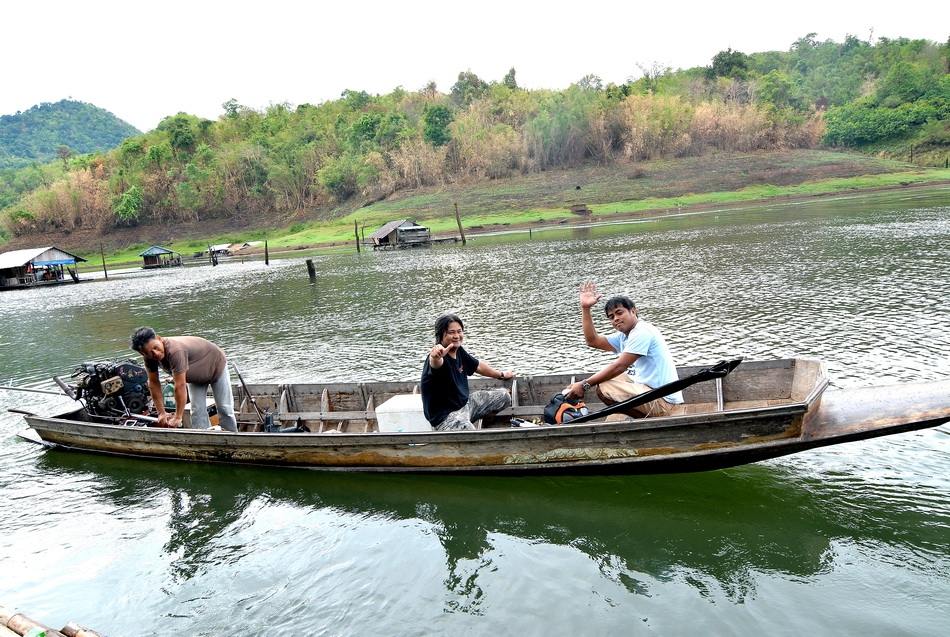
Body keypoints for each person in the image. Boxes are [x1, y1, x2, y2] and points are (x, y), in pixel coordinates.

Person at [562, 282, 683, 418]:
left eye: (619, 313)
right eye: (611, 317)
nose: (616, 319)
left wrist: (584, 384)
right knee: (604, 378)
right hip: (649, 391)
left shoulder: (642, 332)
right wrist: (585, 308)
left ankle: (647, 420)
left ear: (633, 310)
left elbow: (620, 366)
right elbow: (592, 341)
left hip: (664, 401)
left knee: (604, 388)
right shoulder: (624, 336)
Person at [131, 327, 238, 431]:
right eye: (149, 353)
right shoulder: (149, 358)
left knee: (224, 408)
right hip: (196, 377)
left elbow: (180, 385)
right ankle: (204, 440)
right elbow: (153, 383)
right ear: (142, 353)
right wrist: (161, 413)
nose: (156, 354)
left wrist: (178, 417)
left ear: (159, 338)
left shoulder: (175, 350)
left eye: (156, 348)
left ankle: (232, 437)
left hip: (216, 365)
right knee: (197, 411)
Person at [421, 314, 514, 431]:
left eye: (459, 331)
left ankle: (481, 422)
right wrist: (435, 357)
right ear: (441, 335)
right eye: (451, 332)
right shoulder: (438, 357)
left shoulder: (459, 351)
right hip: (445, 418)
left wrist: (502, 375)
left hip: (466, 405)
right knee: (469, 431)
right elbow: (435, 363)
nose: (456, 336)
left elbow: (478, 366)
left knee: (504, 396)